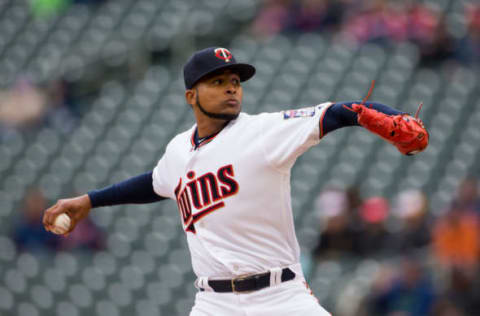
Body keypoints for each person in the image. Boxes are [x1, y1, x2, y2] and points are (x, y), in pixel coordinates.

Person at [43, 47, 428, 315]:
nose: (231, 87)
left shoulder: (263, 131)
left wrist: (390, 117)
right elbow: (156, 183)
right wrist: (90, 200)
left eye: (235, 80)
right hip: (214, 303)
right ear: (191, 96)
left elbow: (342, 111)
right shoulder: (178, 149)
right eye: (218, 81)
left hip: (281, 297)